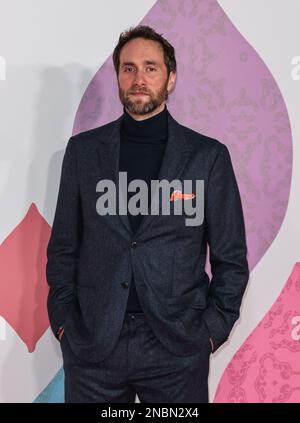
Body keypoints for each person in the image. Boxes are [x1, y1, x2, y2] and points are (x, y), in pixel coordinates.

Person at [46, 25, 249, 403]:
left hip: (176, 349)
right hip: (94, 346)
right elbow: (63, 248)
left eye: (151, 68)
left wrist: (209, 332)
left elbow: (231, 258)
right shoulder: (83, 153)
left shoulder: (207, 157)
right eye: (129, 68)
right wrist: (64, 326)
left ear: (170, 78)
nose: (139, 78)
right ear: (118, 76)